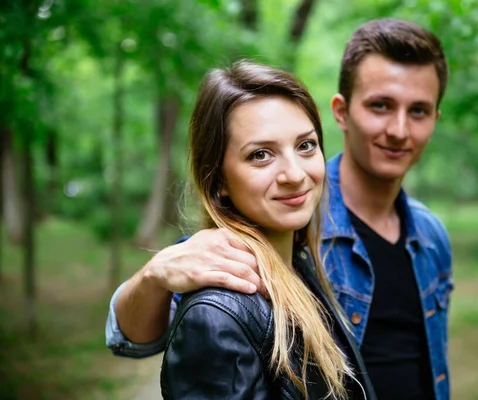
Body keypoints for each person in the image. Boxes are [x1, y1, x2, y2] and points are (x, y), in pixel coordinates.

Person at [106, 18, 453, 400]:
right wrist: (155, 273)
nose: (399, 130)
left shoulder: (429, 234)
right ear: (342, 112)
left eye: (418, 111)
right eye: (380, 105)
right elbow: (145, 328)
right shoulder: (287, 216)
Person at [157, 60, 375, 399]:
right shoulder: (215, 318)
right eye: (261, 154)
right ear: (217, 181)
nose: (294, 174)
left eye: (305, 145)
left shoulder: (300, 268)